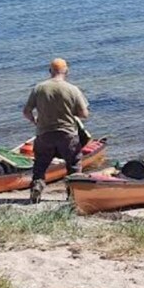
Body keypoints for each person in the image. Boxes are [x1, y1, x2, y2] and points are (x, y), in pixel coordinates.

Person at [22, 58, 90, 203]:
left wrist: (35, 121)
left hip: (44, 134)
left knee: (40, 165)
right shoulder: (72, 89)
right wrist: (70, 113)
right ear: (66, 71)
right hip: (67, 134)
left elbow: (26, 111)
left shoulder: (39, 88)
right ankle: (73, 195)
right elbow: (84, 114)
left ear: (50, 71)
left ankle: (37, 186)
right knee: (74, 164)